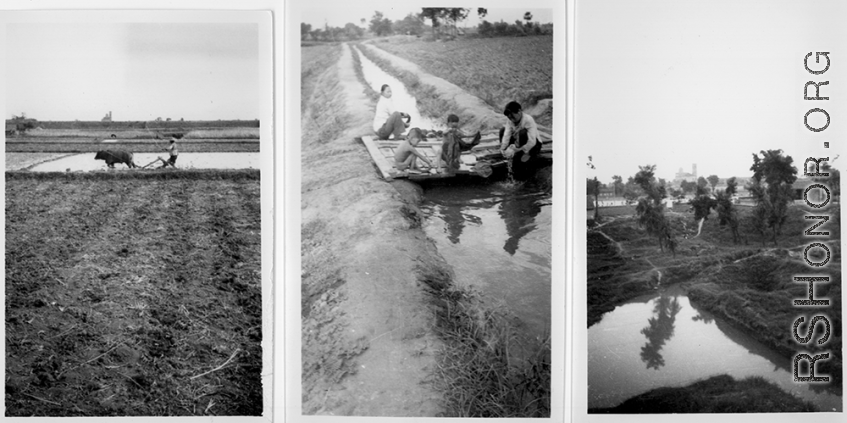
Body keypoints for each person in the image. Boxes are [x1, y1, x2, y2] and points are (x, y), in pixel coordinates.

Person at [499, 101, 542, 170]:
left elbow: (532, 141)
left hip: (532, 145)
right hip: (518, 141)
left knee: (522, 132)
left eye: (513, 117)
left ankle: (524, 154)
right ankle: (508, 154)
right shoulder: (510, 121)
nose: (512, 120)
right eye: (510, 118)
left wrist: (518, 149)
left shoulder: (528, 120)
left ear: (519, 111)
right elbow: (507, 134)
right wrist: (503, 147)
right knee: (502, 130)